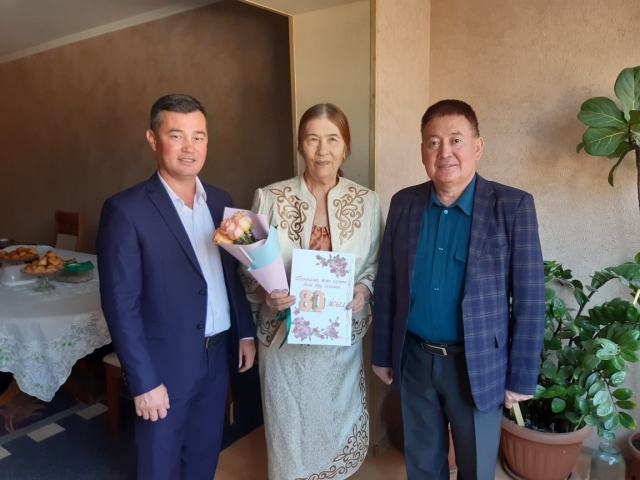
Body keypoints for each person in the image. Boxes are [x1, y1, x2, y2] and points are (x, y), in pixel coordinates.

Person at [372, 99, 545, 479]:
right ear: (422, 151)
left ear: (477, 147)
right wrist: (383, 353)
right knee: (422, 464)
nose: (444, 153)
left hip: (477, 363)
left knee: (477, 468)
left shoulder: (512, 206)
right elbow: (387, 285)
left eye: (455, 140)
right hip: (415, 360)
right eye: (433, 142)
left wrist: (521, 377)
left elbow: (530, 300)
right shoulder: (404, 203)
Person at [97, 94, 256, 480]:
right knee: (160, 464)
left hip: (217, 357)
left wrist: (245, 333)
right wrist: (143, 380)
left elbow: (231, 274)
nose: (189, 148)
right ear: (153, 139)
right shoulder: (126, 210)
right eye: (177, 135)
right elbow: (120, 304)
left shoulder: (221, 201)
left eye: (198, 137)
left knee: (203, 457)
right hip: (164, 366)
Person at [243, 103, 382, 479]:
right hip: (283, 342)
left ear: (346, 146)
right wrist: (266, 292)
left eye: (333, 139)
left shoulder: (368, 202)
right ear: (300, 145)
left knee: (333, 426)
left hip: (338, 346)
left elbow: (374, 264)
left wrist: (363, 291)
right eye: (312, 139)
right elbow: (247, 264)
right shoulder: (270, 197)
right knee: (288, 432)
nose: (323, 150)